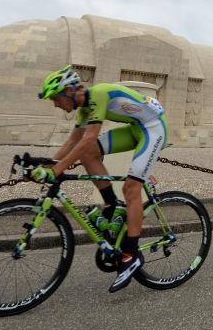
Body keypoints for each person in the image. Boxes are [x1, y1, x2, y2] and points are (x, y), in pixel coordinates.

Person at [36, 65, 168, 293]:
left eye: (56, 98)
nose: (56, 104)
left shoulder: (98, 94)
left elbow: (88, 139)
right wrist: (44, 165)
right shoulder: (84, 110)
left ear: (69, 90)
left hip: (153, 129)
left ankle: (131, 255)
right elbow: (72, 143)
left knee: (131, 188)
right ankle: (111, 204)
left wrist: (57, 170)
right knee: (88, 153)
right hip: (135, 127)